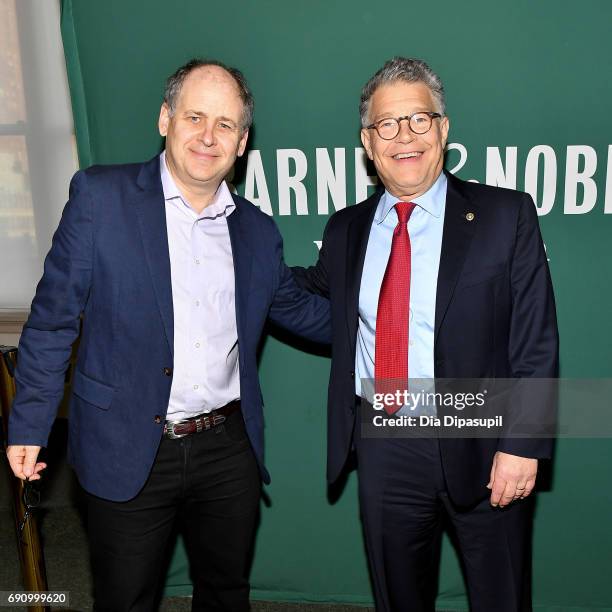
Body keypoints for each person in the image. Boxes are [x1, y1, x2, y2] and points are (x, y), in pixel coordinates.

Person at [7, 58, 330, 612]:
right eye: (194, 117)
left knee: (225, 594)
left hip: (228, 449)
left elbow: (299, 309)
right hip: (127, 442)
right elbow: (54, 318)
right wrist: (30, 424)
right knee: (126, 598)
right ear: (165, 119)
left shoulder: (256, 230)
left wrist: (391, 312)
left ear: (243, 140)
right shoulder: (100, 200)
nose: (208, 137)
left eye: (225, 124)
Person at [293, 57, 558, 611]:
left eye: (419, 119)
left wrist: (522, 446)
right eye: (387, 124)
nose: (404, 137)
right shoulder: (345, 230)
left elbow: (535, 339)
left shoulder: (505, 216)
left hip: (483, 436)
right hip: (384, 440)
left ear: (443, 128)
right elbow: (304, 291)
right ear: (368, 142)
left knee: (502, 598)